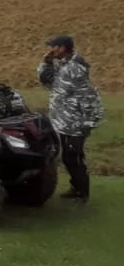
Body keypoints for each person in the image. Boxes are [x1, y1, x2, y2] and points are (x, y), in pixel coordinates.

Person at [37, 35, 104, 204]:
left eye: (54, 47)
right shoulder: (63, 63)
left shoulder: (75, 67)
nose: (51, 50)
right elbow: (47, 82)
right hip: (64, 120)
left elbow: (81, 94)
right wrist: (46, 63)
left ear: (63, 48)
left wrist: (88, 122)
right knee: (69, 156)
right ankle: (76, 188)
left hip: (76, 122)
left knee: (73, 157)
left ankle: (82, 193)